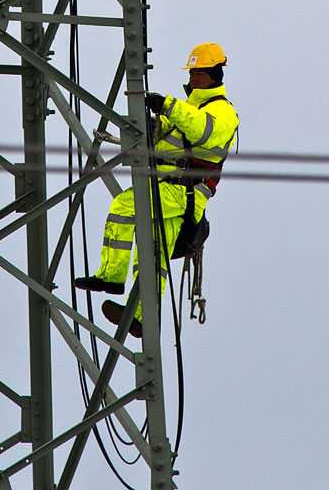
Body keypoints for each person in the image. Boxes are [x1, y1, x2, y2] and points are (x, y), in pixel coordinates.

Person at [74, 43, 238, 338]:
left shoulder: (222, 112)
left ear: (213, 74)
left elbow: (204, 131)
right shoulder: (191, 109)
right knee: (154, 254)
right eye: (192, 72)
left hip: (184, 193)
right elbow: (167, 140)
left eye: (198, 72)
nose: (192, 77)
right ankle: (140, 315)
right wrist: (152, 124)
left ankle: (111, 276)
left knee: (125, 206)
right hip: (170, 192)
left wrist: (168, 106)